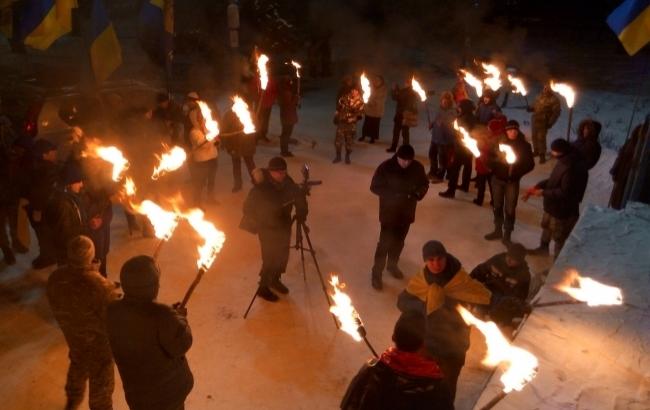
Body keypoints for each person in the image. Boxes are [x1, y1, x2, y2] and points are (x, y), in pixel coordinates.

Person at [397, 241, 491, 401]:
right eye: (431, 260)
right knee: (422, 383)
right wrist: (425, 305)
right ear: (425, 261)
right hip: (426, 344)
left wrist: (448, 305)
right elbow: (402, 302)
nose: (436, 263)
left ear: (446, 257)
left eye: (439, 258)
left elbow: (484, 300)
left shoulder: (461, 280)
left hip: (452, 349)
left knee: (446, 389)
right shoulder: (422, 279)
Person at [106, 256, 193, 410]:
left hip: (137, 394)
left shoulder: (112, 310)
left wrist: (172, 317)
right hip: (167, 396)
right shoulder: (162, 315)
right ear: (152, 287)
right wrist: (181, 320)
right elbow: (182, 345)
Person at [46, 235, 119, 410]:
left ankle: (72, 400)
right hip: (100, 347)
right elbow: (113, 318)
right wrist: (97, 278)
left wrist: (91, 272)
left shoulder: (55, 278)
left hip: (74, 338)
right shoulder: (102, 287)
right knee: (101, 381)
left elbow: (72, 293)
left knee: (78, 364)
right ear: (91, 255)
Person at [340, 311, 454, 410]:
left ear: (393, 336)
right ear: (423, 344)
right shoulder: (438, 388)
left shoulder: (371, 370)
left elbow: (348, 406)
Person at [241, 157, 308, 302]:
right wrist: (263, 217)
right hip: (268, 229)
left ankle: (275, 279)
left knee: (283, 255)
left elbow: (298, 197)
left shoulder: (287, 182)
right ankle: (263, 287)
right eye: (278, 172)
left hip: (284, 225)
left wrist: (302, 212)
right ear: (271, 172)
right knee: (270, 258)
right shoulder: (260, 188)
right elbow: (247, 208)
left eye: (284, 172)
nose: (282, 175)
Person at [370, 145, 428, 290]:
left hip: (406, 213)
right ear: (397, 156)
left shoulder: (417, 167)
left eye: (409, 160)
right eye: (403, 160)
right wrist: (394, 195)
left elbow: (424, 184)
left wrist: (418, 194)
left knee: (399, 241)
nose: (406, 163)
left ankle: (392, 265)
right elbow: (375, 187)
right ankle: (376, 273)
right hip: (389, 213)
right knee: (384, 243)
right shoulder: (386, 167)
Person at [524, 139, 588, 258]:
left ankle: (557, 263)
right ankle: (543, 249)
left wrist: (543, 192)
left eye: (554, 152)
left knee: (559, 236)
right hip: (553, 206)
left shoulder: (571, 167)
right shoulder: (564, 160)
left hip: (563, 210)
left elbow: (565, 192)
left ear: (561, 152)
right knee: (547, 227)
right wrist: (539, 185)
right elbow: (554, 180)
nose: (552, 154)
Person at [484, 120, 535, 245]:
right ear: (506, 131)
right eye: (510, 130)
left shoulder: (524, 146)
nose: (513, 132)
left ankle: (507, 234)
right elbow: (489, 157)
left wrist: (517, 173)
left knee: (510, 208)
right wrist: (493, 166)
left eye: (515, 130)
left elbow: (530, 164)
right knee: (497, 206)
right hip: (497, 180)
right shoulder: (498, 143)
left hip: (512, 182)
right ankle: (497, 230)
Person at [470, 242, 531, 329]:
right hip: (488, 290)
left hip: (503, 299)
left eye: (513, 259)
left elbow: (520, 297)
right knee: (479, 308)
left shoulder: (523, 275)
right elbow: (480, 271)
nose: (509, 260)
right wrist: (469, 283)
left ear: (520, 262)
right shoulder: (497, 260)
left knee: (497, 320)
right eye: (508, 256)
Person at [27, 139, 60, 269]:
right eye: (52, 151)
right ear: (44, 155)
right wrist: (37, 209)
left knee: (44, 232)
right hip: (42, 209)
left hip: (44, 208)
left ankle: (48, 256)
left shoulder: (39, 165)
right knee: (43, 232)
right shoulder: (46, 170)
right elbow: (40, 190)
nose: (55, 152)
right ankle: (47, 257)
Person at [46, 164, 89, 266]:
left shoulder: (71, 197)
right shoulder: (62, 203)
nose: (81, 184)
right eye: (78, 181)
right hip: (68, 252)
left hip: (74, 247)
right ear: (69, 183)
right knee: (69, 275)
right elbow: (63, 233)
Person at [439, 99, 477, 198]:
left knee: (455, 168)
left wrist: (452, 131)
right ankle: (465, 185)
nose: (458, 108)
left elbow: (458, 133)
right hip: (469, 147)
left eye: (460, 107)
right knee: (467, 166)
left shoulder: (462, 119)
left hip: (461, 147)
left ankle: (451, 190)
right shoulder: (473, 117)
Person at [610, 123, 650, 209]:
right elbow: (621, 156)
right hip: (624, 176)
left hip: (640, 183)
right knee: (618, 202)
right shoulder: (631, 142)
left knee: (631, 205)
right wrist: (615, 170)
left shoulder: (647, 148)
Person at [188, 103, 219, 206]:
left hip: (212, 159)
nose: (204, 121)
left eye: (204, 119)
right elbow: (202, 145)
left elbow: (214, 142)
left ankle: (211, 199)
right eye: (201, 119)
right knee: (200, 183)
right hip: (202, 162)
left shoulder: (207, 129)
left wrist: (215, 140)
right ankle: (196, 203)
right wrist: (210, 138)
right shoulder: (194, 132)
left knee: (212, 182)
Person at [220, 109, 256, 193]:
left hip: (247, 144)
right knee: (236, 165)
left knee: (250, 164)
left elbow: (256, 127)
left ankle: (256, 181)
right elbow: (224, 130)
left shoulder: (249, 113)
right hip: (234, 145)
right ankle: (238, 184)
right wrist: (226, 145)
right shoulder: (229, 115)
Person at [474, 115, 506, 206]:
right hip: (491, 167)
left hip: (484, 165)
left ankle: (480, 200)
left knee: (482, 184)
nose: (487, 128)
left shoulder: (491, 139)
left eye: (489, 127)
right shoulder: (499, 138)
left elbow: (483, 149)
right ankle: (494, 200)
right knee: (492, 185)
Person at [528, 85, 561, 164]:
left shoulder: (554, 99)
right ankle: (536, 150)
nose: (545, 89)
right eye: (544, 88)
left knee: (541, 138)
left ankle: (542, 154)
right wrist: (531, 108)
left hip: (544, 120)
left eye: (547, 88)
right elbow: (534, 105)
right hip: (535, 119)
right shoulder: (539, 96)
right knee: (534, 136)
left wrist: (550, 123)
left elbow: (556, 113)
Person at [333, 80, 364, 164]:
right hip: (342, 122)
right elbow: (339, 107)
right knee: (338, 140)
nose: (354, 92)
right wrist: (336, 115)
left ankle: (347, 156)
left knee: (349, 141)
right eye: (353, 90)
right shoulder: (345, 97)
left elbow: (360, 115)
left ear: (358, 92)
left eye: (356, 91)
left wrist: (353, 118)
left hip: (351, 125)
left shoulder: (360, 102)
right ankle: (338, 156)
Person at [428, 91, 456, 182]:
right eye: (443, 100)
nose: (444, 102)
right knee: (432, 154)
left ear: (450, 102)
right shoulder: (439, 109)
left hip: (445, 140)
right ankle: (433, 171)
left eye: (447, 101)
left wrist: (443, 123)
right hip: (435, 137)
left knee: (442, 158)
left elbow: (451, 123)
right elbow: (437, 119)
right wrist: (432, 124)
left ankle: (440, 176)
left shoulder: (452, 111)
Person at [387, 80, 418, 153]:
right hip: (405, 114)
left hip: (402, 114)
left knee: (399, 132)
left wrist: (394, 90)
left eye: (407, 83)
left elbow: (396, 97)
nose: (405, 84)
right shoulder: (413, 92)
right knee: (404, 132)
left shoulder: (407, 91)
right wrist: (396, 90)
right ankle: (404, 148)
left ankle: (395, 147)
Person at [359, 74, 388, 143]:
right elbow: (366, 95)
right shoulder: (370, 87)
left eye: (378, 80)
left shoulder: (383, 89)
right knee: (367, 123)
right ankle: (364, 135)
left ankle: (372, 138)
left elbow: (381, 99)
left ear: (381, 81)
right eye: (375, 79)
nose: (376, 81)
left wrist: (372, 102)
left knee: (374, 125)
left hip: (377, 110)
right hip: (369, 110)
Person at [277, 74, 299, 157]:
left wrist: (295, 100)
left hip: (287, 115)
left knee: (286, 133)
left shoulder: (285, 91)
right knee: (286, 134)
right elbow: (288, 104)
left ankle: (284, 150)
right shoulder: (285, 92)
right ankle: (284, 151)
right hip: (287, 116)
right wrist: (295, 99)